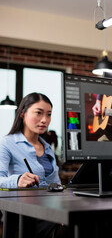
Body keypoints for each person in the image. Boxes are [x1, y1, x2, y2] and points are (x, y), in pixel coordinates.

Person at [0, 93, 70, 238]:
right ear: (23, 114)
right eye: (38, 113)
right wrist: (17, 180)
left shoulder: (48, 148)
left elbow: (55, 187)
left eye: (49, 114)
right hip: (23, 213)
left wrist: (65, 209)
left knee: (91, 221)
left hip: (48, 210)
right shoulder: (7, 143)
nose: (44, 120)